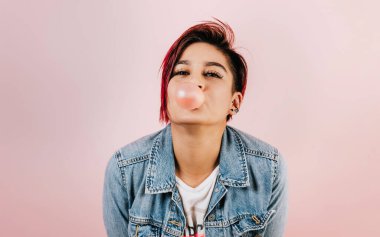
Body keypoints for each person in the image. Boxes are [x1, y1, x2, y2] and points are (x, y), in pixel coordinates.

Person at [103, 19, 288, 237]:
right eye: (181, 72)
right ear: (167, 93)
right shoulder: (125, 170)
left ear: (234, 102)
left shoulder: (268, 168)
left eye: (211, 73)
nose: (194, 83)